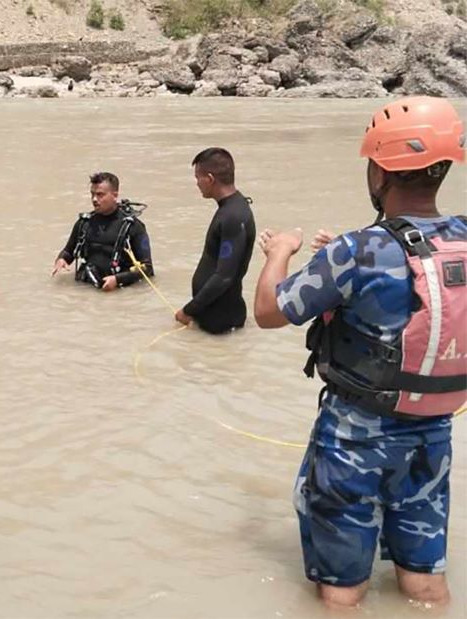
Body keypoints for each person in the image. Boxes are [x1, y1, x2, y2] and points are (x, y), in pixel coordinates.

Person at [253, 96, 466, 608]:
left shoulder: (355, 250)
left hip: (354, 438)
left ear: (379, 171)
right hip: (433, 434)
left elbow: (267, 311)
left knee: (343, 590)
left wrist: (280, 250)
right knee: (423, 582)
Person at [175, 148, 256, 334]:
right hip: (213, 315)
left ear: (210, 179)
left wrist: (188, 310)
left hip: (222, 322)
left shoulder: (233, 216)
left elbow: (224, 276)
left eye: (198, 178)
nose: (197, 183)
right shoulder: (232, 208)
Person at [52, 172, 153, 291]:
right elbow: (68, 252)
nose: (94, 199)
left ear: (115, 195)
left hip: (118, 291)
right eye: (92, 194)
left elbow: (147, 268)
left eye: (100, 195)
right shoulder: (84, 223)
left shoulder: (134, 227)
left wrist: (118, 279)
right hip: (86, 287)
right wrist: (61, 260)